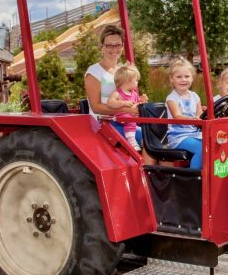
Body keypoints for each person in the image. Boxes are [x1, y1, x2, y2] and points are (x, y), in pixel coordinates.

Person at [84, 24, 152, 162]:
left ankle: (149, 177)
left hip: (125, 121)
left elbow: (130, 97)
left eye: (117, 45)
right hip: (104, 124)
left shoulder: (123, 71)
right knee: (148, 140)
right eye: (109, 45)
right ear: (102, 46)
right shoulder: (93, 73)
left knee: (153, 140)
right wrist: (127, 109)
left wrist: (139, 104)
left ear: (122, 46)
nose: (113, 49)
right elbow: (96, 107)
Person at [165, 56, 203, 169]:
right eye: (179, 77)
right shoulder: (172, 98)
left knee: (215, 144)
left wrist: (200, 118)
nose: (183, 79)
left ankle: (209, 175)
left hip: (195, 134)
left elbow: (200, 115)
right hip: (178, 136)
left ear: (192, 78)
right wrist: (193, 120)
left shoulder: (195, 96)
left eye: (187, 76)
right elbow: (177, 116)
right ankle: (192, 177)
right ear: (172, 79)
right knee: (201, 148)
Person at [107, 66, 147, 151]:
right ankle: (131, 140)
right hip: (120, 119)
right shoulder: (117, 93)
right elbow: (110, 103)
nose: (137, 82)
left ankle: (146, 141)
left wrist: (141, 101)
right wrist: (123, 103)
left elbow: (136, 105)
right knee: (129, 119)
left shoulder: (134, 94)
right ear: (128, 82)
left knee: (145, 120)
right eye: (136, 80)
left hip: (132, 117)